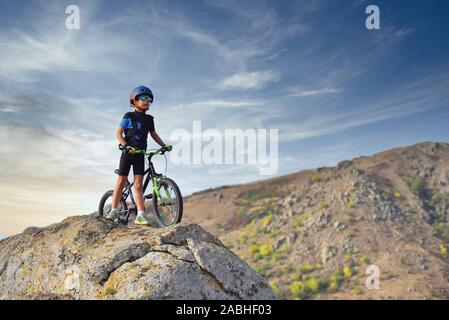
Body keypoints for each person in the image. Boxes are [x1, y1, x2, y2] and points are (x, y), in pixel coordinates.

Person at [106, 85, 172, 225]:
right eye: (143, 98)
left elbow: (153, 134)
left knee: (138, 185)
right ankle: (114, 210)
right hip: (128, 153)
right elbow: (118, 133)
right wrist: (125, 145)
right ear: (135, 101)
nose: (147, 101)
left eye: (149, 99)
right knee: (121, 180)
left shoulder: (149, 119)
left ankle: (140, 215)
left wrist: (163, 146)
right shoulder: (129, 116)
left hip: (140, 154)